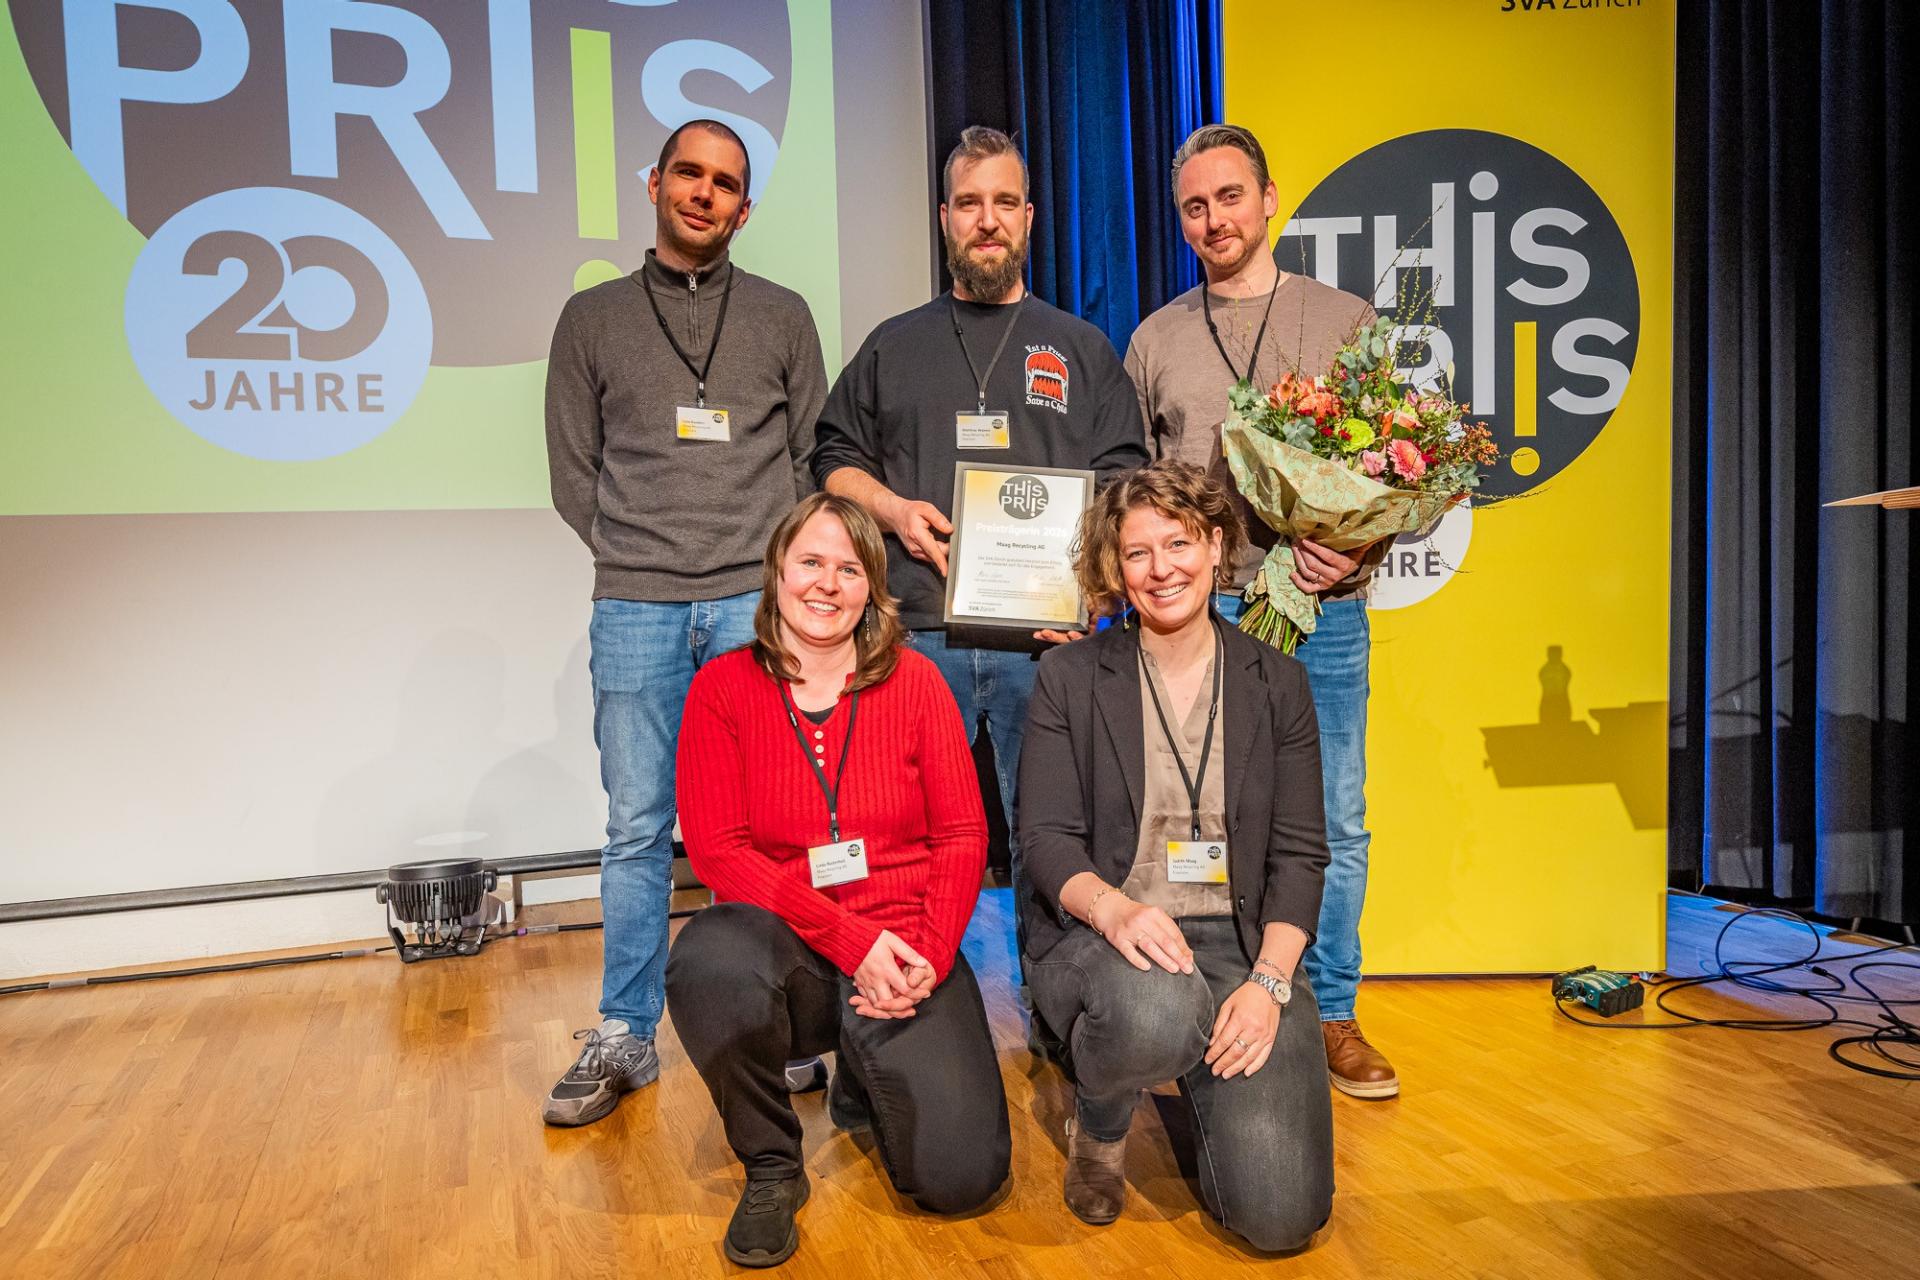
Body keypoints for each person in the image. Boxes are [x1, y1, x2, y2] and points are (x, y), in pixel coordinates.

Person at [541, 120, 828, 1125]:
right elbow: (574, 474)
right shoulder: (592, 318)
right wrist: (643, 554)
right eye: (689, 174)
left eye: (725, 183)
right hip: (636, 604)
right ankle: (626, 1030)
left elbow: (810, 460)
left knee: (773, 821)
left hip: (756, 605)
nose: (704, 193)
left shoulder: (784, 315)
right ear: (656, 183)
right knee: (637, 826)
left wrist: (773, 574)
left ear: (744, 209)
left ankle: (780, 1020)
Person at [811, 125, 1149, 921]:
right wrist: (893, 509)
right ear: (944, 217)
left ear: (1029, 216)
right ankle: (913, 988)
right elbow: (831, 457)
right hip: (920, 636)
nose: (987, 220)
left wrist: (1099, 595)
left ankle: (1055, 991)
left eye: (1004, 202)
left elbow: (1124, 481)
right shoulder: (893, 346)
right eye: (969, 203)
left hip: (1049, 647)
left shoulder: (1081, 348)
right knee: (907, 838)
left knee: (1054, 838)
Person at [1124, 123, 1398, 1098]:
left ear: (1270, 199)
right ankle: (1210, 1004)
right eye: (1194, 206)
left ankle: (1333, 1012)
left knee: (1334, 819)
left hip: (1327, 612)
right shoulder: (1155, 338)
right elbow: (1135, 488)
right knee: (1201, 815)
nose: (1214, 220)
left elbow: (1401, 463)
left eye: (1230, 197)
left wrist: (1359, 545)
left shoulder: (1345, 320)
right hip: (1198, 620)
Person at [665, 493, 1010, 1267]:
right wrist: (853, 942)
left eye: (849, 569)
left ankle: (860, 1077)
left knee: (962, 1179)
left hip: (907, 948)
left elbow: (962, 835)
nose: (827, 584)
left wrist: (928, 954)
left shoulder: (917, 682)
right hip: (790, 951)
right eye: (810, 563)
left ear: (871, 587)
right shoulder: (722, 689)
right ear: (777, 574)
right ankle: (772, 1166)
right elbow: (718, 853)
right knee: (709, 958)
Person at [1019, 460, 1335, 1252]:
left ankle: (1200, 1073)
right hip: (1108, 935)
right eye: (1137, 552)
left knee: (1281, 1219)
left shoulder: (1280, 682)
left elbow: (1301, 854)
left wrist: (1268, 984)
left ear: (1217, 545)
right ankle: (1101, 1121)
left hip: (1239, 944)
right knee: (1157, 1009)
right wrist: (1116, 911)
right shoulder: (1070, 676)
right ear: (1115, 567)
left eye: (1179, 543)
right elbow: (1044, 840)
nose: (1161, 569)